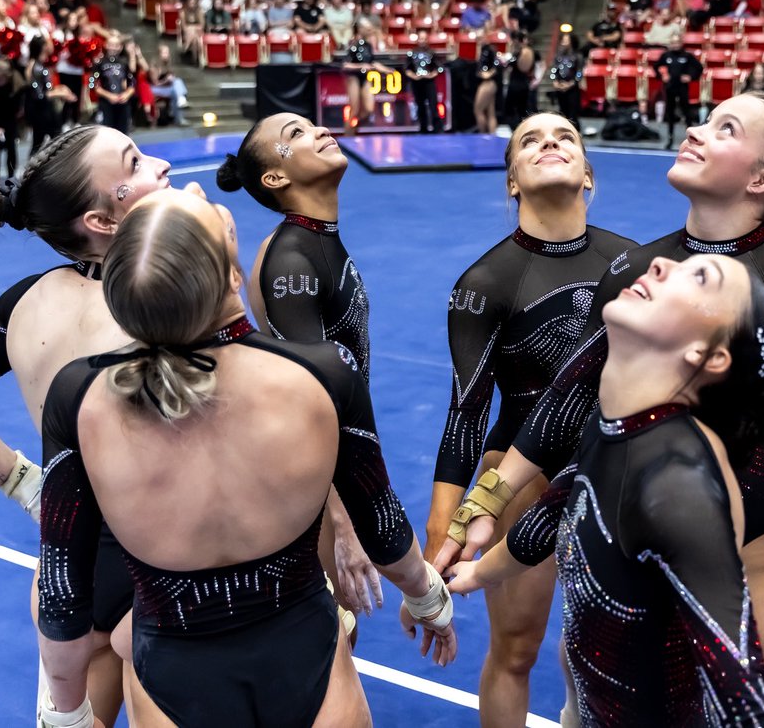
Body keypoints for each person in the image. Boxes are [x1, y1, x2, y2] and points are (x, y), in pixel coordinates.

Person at [436, 92, 764, 728]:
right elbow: (571, 401)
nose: (695, 129)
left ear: (762, 178)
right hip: (632, 554)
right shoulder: (642, 271)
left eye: (724, 127)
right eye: (703, 117)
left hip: (761, 552)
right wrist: (488, 503)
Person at [36, 189, 456, 727]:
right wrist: (428, 601)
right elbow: (382, 525)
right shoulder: (320, 374)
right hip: (307, 656)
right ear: (232, 273)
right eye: (203, 209)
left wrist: (66, 714)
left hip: (172, 674)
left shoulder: (79, 396)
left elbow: (63, 587)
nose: (193, 189)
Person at [447, 253, 764, 727]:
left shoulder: (676, 486)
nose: (659, 263)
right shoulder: (617, 426)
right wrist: (477, 575)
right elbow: (555, 512)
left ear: (709, 355)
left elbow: (743, 692)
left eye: (699, 277)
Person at [0, 125, 179, 728]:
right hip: (169, 569)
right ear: (102, 220)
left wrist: (24, 483)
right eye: (135, 162)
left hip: (71, 570)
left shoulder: (26, 301)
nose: (161, 163)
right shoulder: (174, 301)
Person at [425, 113, 636, 728]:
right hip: (517, 480)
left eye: (566, 136)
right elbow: (465, 415)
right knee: (516, 649)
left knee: (608, 643)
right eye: (530, 140)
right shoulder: (486, 283)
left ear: (589, 176)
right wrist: (438, 542)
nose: (551, 142)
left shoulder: (635, 264)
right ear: (512, 181)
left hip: (613, 470)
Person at [215, 114, 386, 640]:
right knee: (327, 644)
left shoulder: (315, 240)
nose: (315, 131)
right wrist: (344, 523)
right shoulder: (293, 258)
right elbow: (308, 405)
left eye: (310, 126)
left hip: (324, 469)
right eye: (293, 135)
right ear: (275, 179)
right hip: (308, 484)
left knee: (330, 641)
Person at [653, 34, 703, 149]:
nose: (675, 45)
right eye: (673, 42)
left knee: (686, 111)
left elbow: (699, 68)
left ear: (681, 43)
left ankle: (691, 138)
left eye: (677, 42)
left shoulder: (687, 56)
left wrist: (690, 77)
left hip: (682, 87)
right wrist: (662, 76)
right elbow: (656, 67)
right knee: (670, 113)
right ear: (670, 43)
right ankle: (670, 138)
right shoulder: (666, 56)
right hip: (670, 87)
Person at [341, 20, 389, 134]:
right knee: (354, 110)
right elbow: (345, 65)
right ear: (360, 30)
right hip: (353, 78)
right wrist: (361, 66)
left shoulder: (368, 45)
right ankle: (347, 136)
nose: (370, 30)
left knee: (368, 109)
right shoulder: (353, 44)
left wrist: (385, 69)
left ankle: (354, 127)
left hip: (364, 77)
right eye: (367, 28)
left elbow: (372, 62)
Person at [92, 33, 135, 135]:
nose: (113, 48)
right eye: (111, 44)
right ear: (106, 45)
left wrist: (127, 94)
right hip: (106, 103)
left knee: (123, 134)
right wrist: (109, 96)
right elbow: (93, 84)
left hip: (122, 103)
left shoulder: (124, 63)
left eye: (116, 45)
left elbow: (132, 83)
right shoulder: (99, 63)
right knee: (108, 133)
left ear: (120, 47)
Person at [405, 30, 442, 133]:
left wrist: (431, 75)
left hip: (429, 82)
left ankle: (437, 128)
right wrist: (414, 76)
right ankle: (423, 128)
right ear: (417, 40)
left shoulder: (431, 53)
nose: (422, 41)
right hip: (417, 83)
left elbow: (438, 68)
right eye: (421, 38)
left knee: (433, 104)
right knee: (420, 105)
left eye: (424, 39)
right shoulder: (412, 53)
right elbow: (406, 69)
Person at [502, 30, 537, 131]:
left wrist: (511, 54)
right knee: (522, 111)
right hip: (524, 83)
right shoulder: (529, 51)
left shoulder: (521, 52)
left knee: (511, 111)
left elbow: (521, 67)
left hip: (516, 84)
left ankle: (517, 131)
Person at [549, 34, 583, 130]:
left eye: (566, 40)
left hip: (572, 88)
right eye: (563, 40)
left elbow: (579, 73)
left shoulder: (577, 56)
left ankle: (575, 131)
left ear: (571, 42)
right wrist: (554, 81)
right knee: (562, 111)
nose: (563, 43)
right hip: (560, 87)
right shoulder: (558, 56)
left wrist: (572, 83)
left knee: (573, 112)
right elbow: (554, 69)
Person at [475, 44, 502, 134]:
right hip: (492, 84)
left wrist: (486, 74)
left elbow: (485, 70)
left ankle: (483, 133)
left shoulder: (486, 51)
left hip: (487, 84)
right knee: (491, 112)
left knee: (478, 110)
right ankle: (492, 134)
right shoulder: (492, 51)